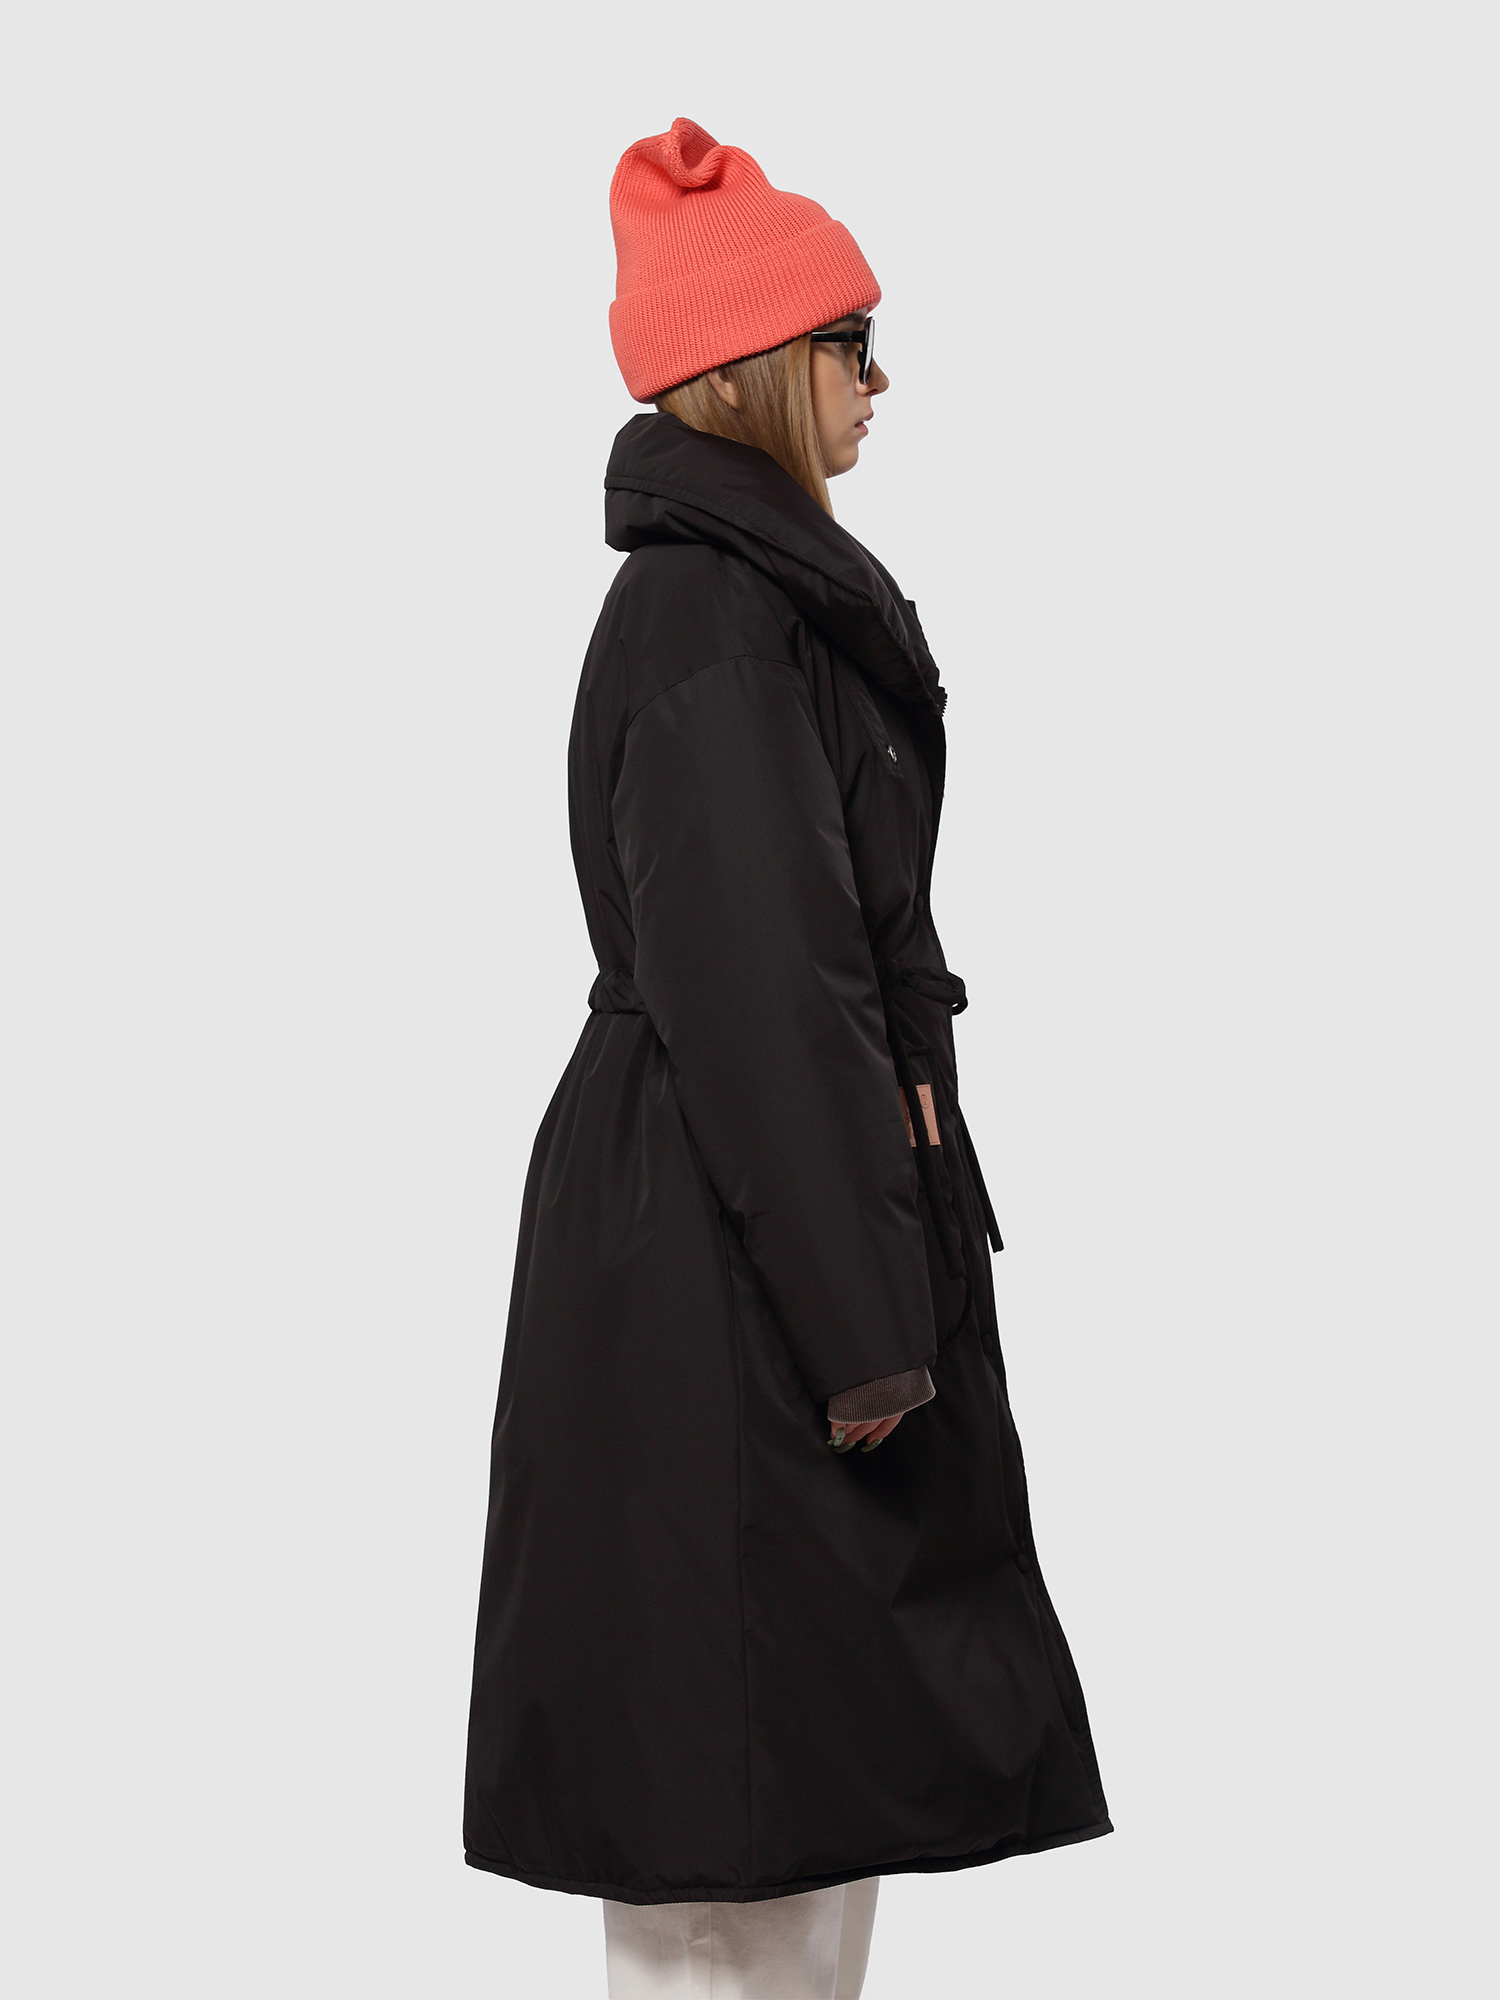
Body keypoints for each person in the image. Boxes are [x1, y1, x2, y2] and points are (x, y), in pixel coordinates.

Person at [464, 118, 1111, 1999]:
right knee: (728, 1864)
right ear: (757, 366)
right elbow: (765, 997)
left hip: (749, 1254)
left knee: (792, 1820)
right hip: (731, 1278)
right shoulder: (716, 621)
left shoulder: (758, 605)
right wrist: (869, 1331)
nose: (881, 382)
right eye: (854, 342)